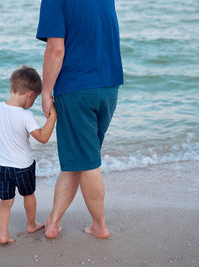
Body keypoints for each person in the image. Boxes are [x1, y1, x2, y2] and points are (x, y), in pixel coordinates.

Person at [36, 0, 123, 239]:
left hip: (77, 89)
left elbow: (56, 49)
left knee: (87, 162)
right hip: (109, 87)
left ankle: (99, 226)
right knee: (79, 158)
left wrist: (46, 91)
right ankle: (53, 222)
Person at [0, 65, 57, 244]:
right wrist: (53, 117)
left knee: (5, 201)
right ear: (30, 94)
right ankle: (31, 224)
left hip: (0, 167)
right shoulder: (25, 115)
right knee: (28, 195)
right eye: (35, 99)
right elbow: (43, 138)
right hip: (22, 167)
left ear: (11, 87)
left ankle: (3, 234)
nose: (33, 102)